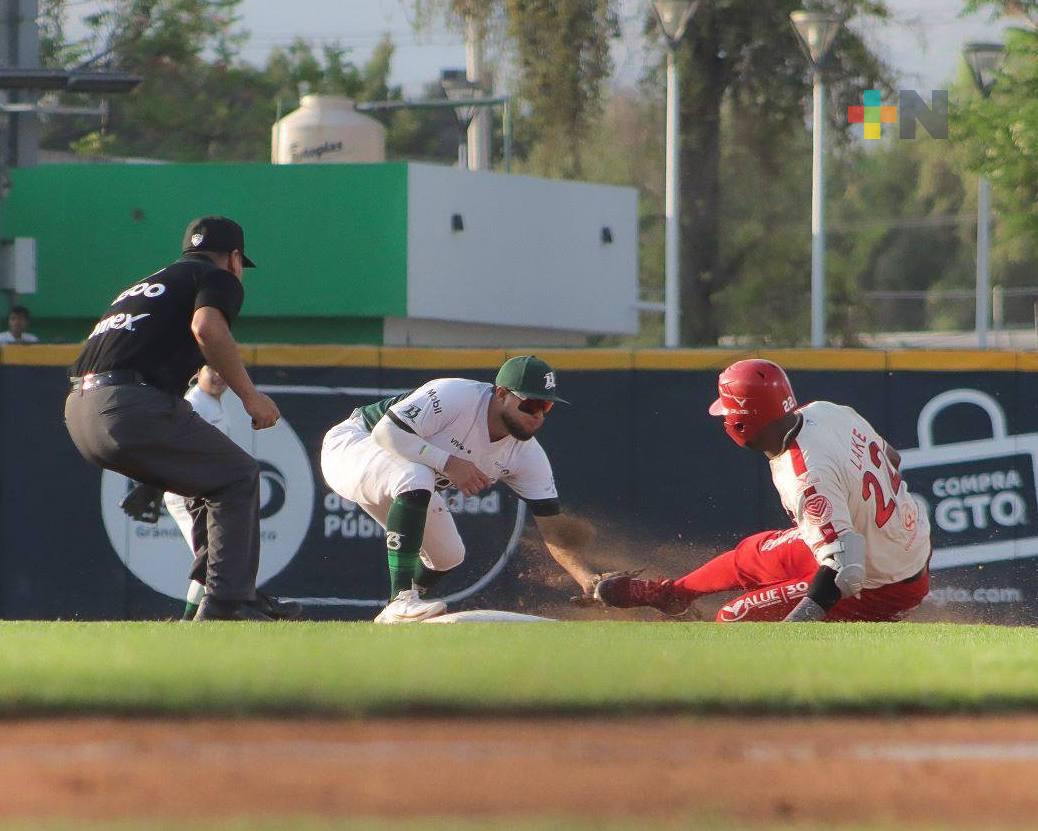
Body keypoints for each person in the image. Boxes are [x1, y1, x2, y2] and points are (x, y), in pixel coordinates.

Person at [65, 216, 285, 621]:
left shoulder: (147, 284)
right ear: (234, 258)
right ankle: (227, 603)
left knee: (210, 482)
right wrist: (251, 397)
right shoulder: (216, 277)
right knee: (239, 475)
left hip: (80, 410)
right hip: (128, 404)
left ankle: (231, 596)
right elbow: (207, 329)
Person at [594, 358, 931, 623]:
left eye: (728, 413)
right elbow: (892, 457)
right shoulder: (825, 411)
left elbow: (847, 572)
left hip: (882, 585)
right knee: (750, 555)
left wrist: (790, 631)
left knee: (732, 618)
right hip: (892, 543)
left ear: (741, 423)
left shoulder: (806, 476)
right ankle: (673, 594)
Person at [320, 355, 597, 623]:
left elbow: (552, 528)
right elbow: (385, 433)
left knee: (447, 555)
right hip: (352, 446)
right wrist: (450, 462)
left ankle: (394, 615)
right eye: (531, 404)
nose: (538, 416)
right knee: (416, 475)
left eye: (546, 407)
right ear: (501, 393)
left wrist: (588, 580)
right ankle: (400, 600)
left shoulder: (527, 456)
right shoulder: (456, 395)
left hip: (396, 476)